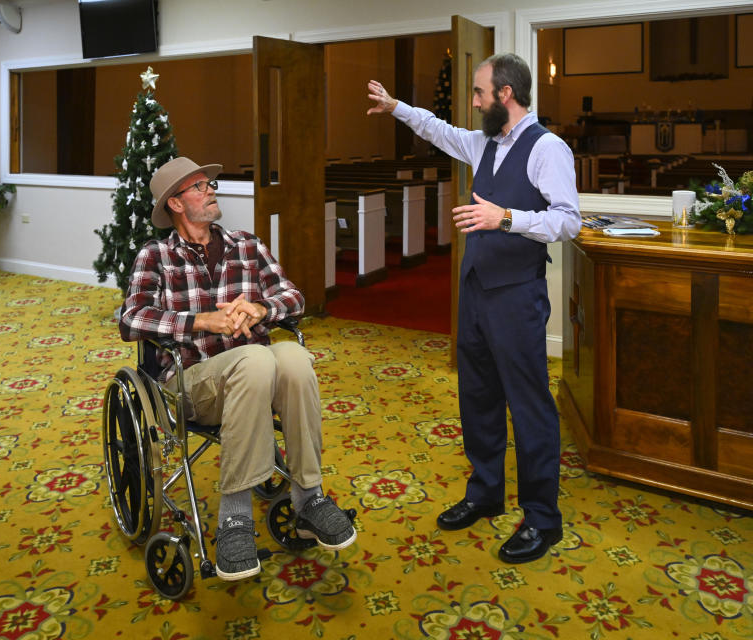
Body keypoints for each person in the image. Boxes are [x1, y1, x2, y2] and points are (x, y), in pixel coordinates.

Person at [366, 53, 580, 564]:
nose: (475, 101)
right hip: (476, 291)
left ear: (505, 94)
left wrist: (505, 217)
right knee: (477, 395)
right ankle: (485, 492)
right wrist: (397, 107)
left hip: (517, 294)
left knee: (528, 405)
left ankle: (542, 519)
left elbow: (568, 222)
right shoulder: (483, 142)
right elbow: (438, 130)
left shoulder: (549, 148)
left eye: (480, 93)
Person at [119, 156, 356, 581]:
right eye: (199, 186)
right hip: (193, 383)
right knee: (258, 357)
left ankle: (309, 499)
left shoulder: (247, 245)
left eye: (210, 183)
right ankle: (234, 517)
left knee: (294, 357)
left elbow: (294, 297)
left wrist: (262, 307)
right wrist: (199, 321)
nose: (211, 189)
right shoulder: (155, 256)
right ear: (175, 203)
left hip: (256, 374)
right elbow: (131, 319)